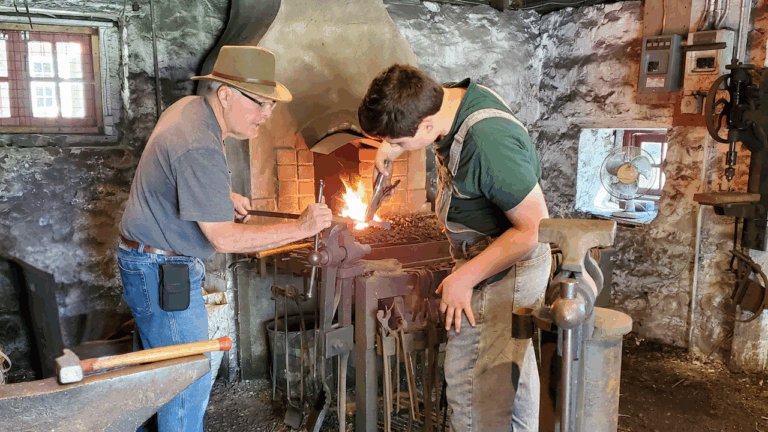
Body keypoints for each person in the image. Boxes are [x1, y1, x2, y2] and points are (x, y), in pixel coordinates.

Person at [117, 46, 332, 432]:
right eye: (260, 104)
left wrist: (218, 198)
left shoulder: (188, 109)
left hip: (145, 258)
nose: (266, 116)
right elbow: (224, 239)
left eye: (271, 106)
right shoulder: (199, 142)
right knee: (186, 383)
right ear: (225, 94)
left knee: (154, 378)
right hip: (163, 270)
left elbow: (172, 174)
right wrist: (301, 228)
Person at [358, 64, 551, 432]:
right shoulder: (444, 99)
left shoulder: (488, 142)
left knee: (471, 381)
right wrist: (389, 146)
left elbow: (534, 230)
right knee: (512, 371)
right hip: (485, 253)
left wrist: (465, 276)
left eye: (400, 141)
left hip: (507, 262)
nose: (395, 147)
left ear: (427, 126)